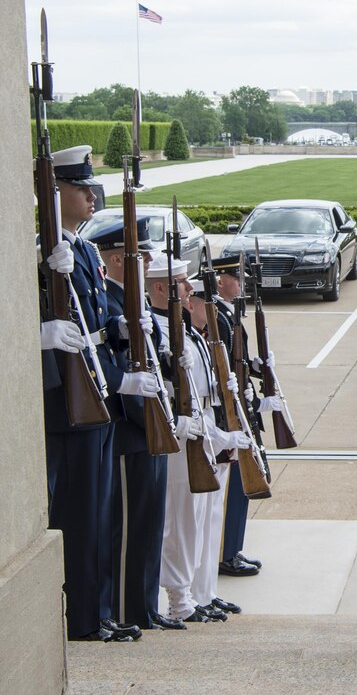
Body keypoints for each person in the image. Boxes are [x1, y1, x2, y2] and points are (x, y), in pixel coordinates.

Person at [39, 145, 150, 643]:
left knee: (102, 512)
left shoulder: (81, 249)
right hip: (70, 401)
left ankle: (101, 610)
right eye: (80, 187)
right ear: (54, 191)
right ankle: (82, 617)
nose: (90, 194)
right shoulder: (41, 249)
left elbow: (100, 321)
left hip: (98, 390)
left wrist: (128, 332)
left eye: (90, 186)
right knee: (80, 514)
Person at [90, 217, 186, 631]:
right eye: (140, 256)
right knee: (129, 527)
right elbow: (113, 364)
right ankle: (129, 609)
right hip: (132, 427)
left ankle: (144, 607)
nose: (147, 262)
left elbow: (151, 354)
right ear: (117, 259)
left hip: (151, 422)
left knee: (149, 524)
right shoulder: (110, 302)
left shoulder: (133, 302)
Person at [151, 255, 246, 624]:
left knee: (205, 519)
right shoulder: (157, 329)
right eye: (181, 282)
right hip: (183, 434)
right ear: (161, 287)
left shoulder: (185, 328)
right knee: (183, 519)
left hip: (203, 427)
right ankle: (179, 598)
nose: (190, 288)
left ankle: (201, 592)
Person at [211, 256, 276, 579]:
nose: (242, 284)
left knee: (242, 485)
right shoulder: (218, 317)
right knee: (233, 486)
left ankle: (232, 548)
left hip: (243, 406)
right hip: (232, 414)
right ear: (220, 281)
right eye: (237, 278)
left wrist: (258, 369)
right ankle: (224, 552)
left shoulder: (227, 313)